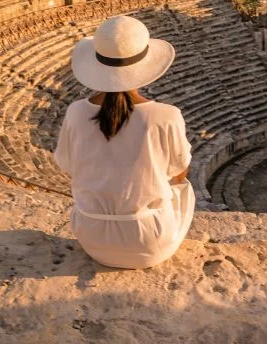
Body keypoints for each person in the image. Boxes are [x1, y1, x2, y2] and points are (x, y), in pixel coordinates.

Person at [55, 15, 194, 269]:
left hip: (91, 236)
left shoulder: (75, 111)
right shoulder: (165, 115)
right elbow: (179, 172)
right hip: (149, 242)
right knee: (182, 190)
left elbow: (67, 165)